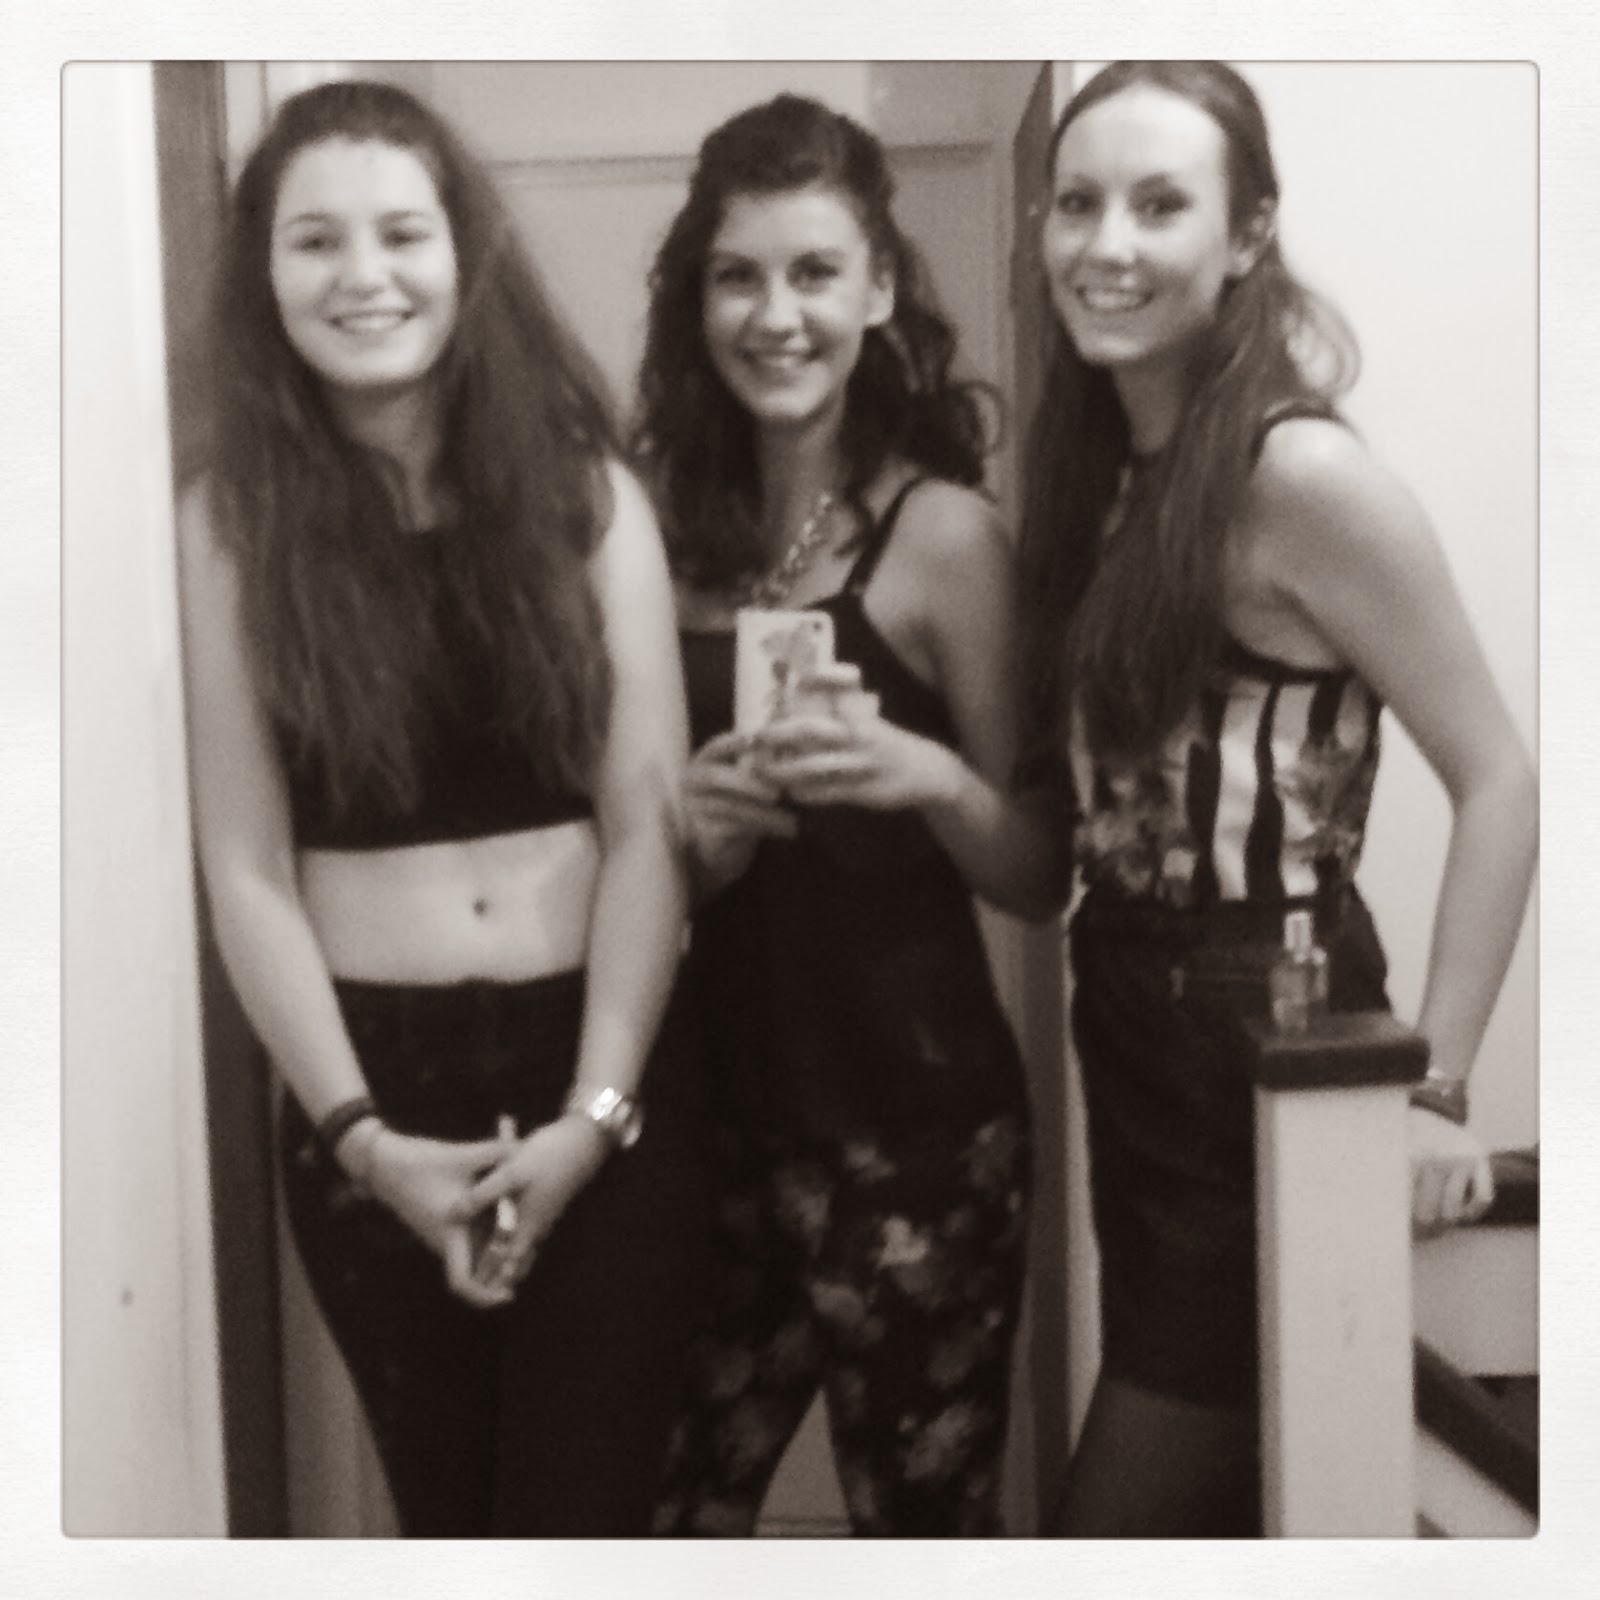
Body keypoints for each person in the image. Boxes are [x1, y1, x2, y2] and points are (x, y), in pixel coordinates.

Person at [177, 78, 710, 1537]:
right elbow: (245, 866)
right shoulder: (228, 527)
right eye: (315, 241)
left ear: (465, 254)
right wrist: (363, 1140)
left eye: (403, 233)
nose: (365, 276)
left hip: (596, 1071)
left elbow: (647, 828)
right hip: (373, 1097)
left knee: (581, 1523)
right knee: (452, 1526)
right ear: (264, 275)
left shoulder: (588, 495)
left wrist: (594, 1118)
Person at [1016, 61, 1538, 1536]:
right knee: (1242, 1492)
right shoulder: (1111, 469)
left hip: (1274, 1014)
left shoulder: (1297, 474)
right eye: (1078, 203)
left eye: (1159, 205)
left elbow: (1499, 779)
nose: (1107, 244)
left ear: (1247, 234)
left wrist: (1433, 1090)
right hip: (1134, 1010)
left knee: (1130, 1514)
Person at [633, 93, 1069, 1537]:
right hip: (706, 1138)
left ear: (878, 289)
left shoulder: (946, 539)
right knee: (660, 1516)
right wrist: (693, 846)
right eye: (738, 276)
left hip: (922, 1146)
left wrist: (928, 778)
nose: (777, 316)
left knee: (921, 1534)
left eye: (815, 272)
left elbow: (1042, 871)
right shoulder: (650, 539)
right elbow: (621, 866)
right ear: (697, 298)